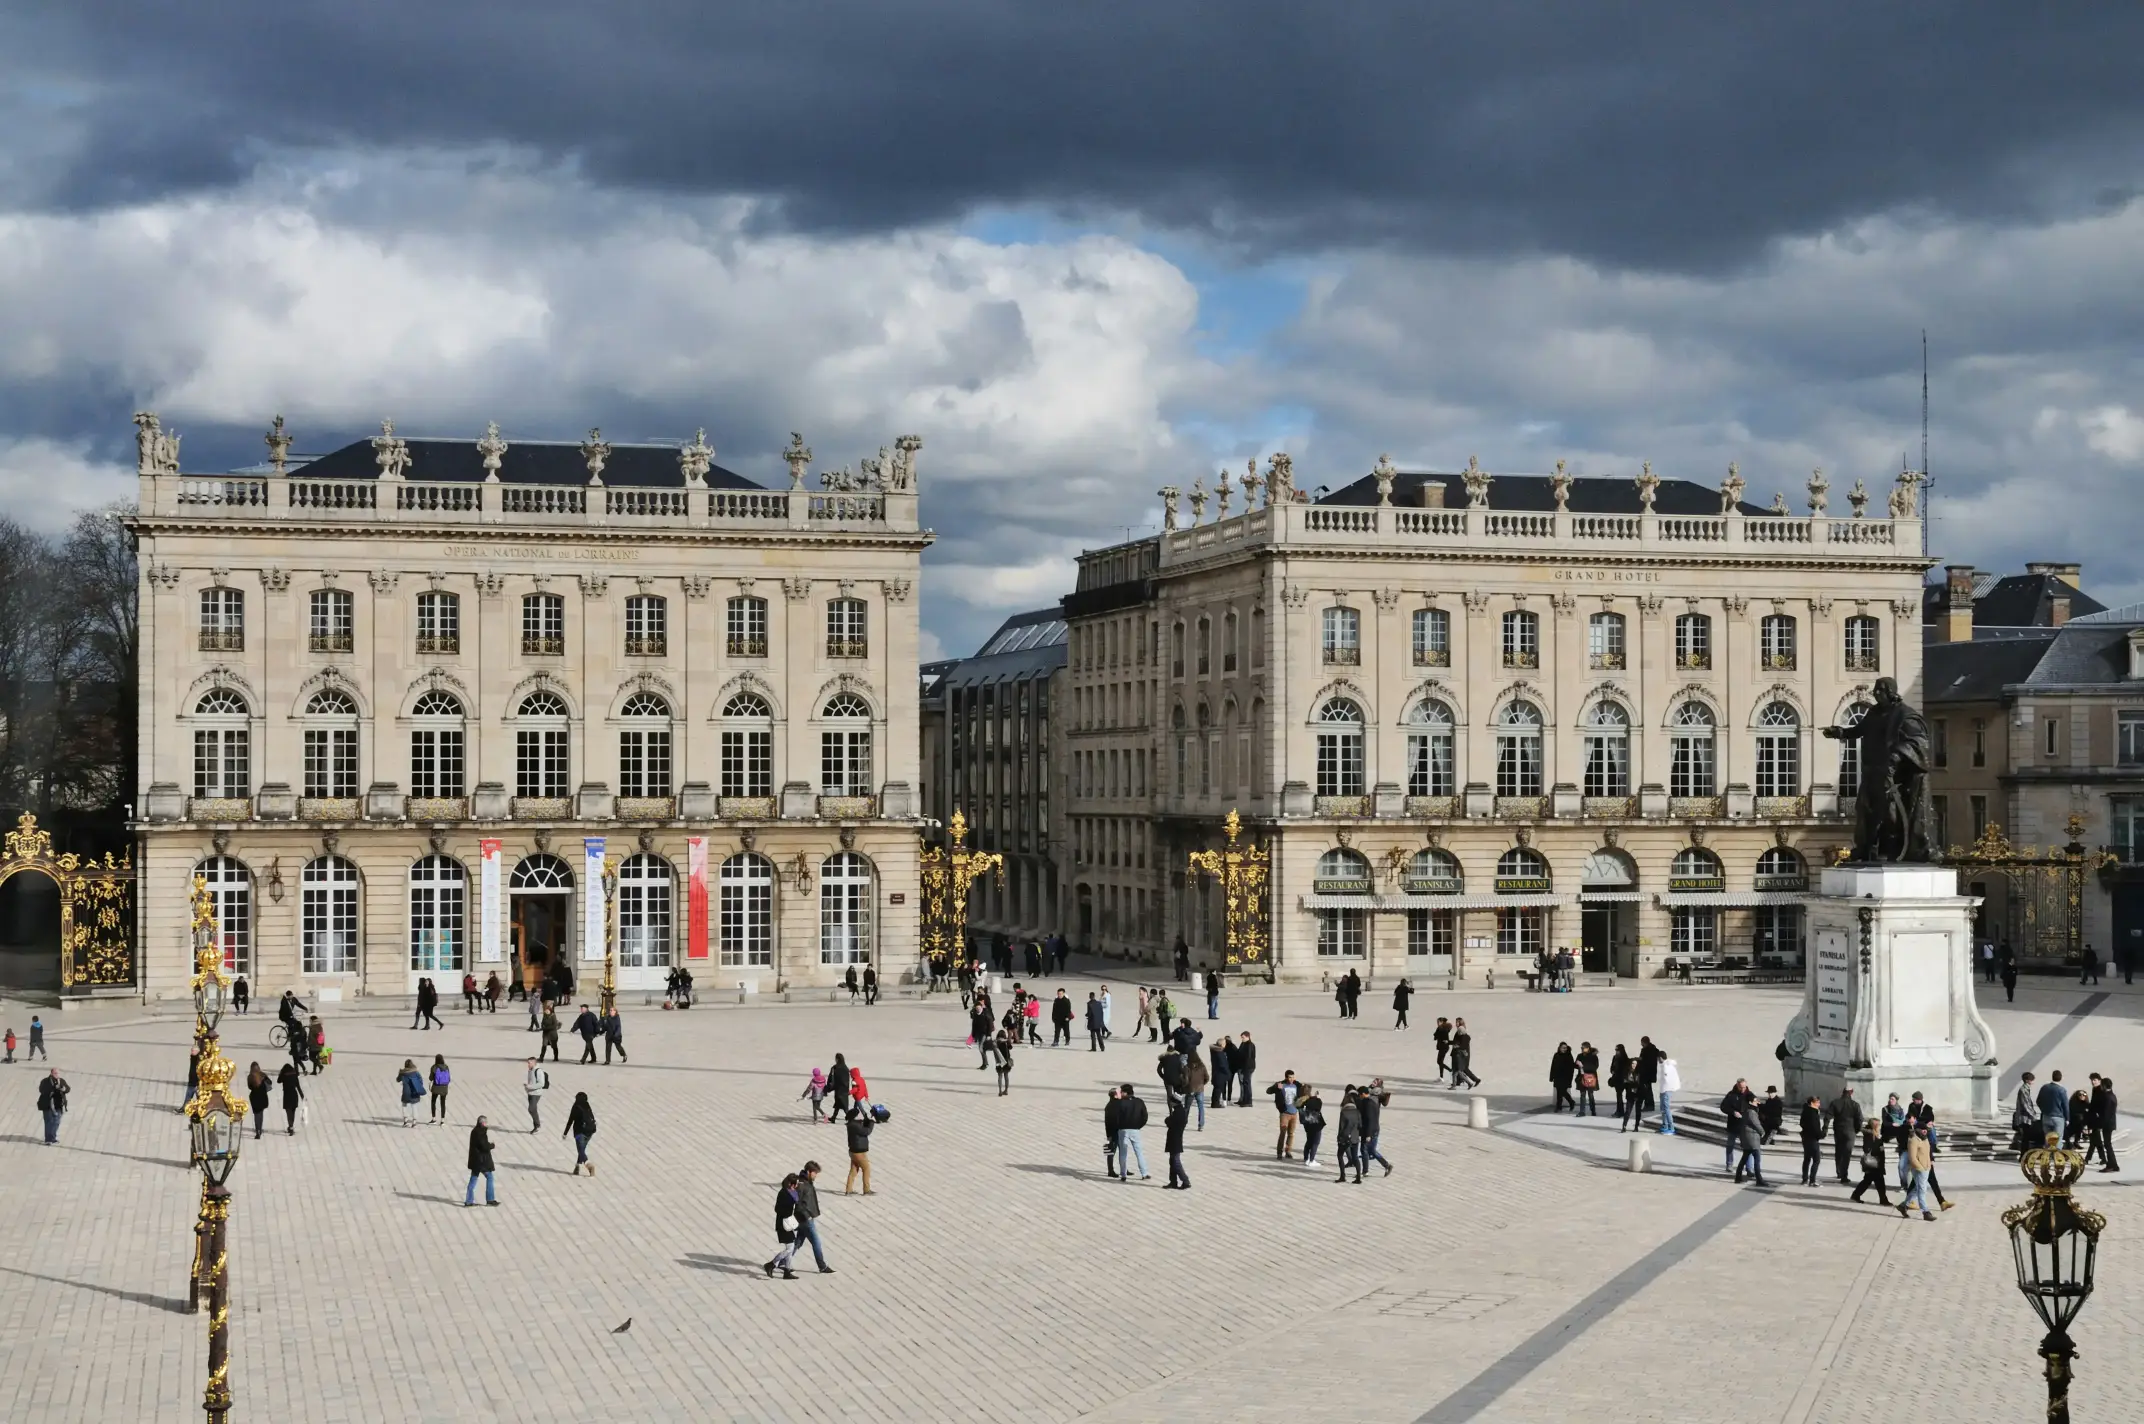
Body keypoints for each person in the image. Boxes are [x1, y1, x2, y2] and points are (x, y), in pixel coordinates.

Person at [792, 1161, 834, 1272]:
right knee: (816, 1241)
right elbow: (799, 1203)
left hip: (805, 1217)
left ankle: (781, 1262)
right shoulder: (802, 1184)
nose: (816, 1175)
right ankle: (822, 1266)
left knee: (798, 1242)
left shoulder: (807, 1181)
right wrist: (808, 1216)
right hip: (805, 1218)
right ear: (809, 1172)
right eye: (815, 1173)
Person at [765, 1173, 804, 1279]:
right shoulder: (784, 1194)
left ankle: (787, 1271)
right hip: (783, 1225)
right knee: (789, 1248)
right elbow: (778, 1209)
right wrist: (790, 1213)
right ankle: (771, 1264)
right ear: (791, 1185)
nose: (797, 1186)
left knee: (790, 1248)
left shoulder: (790, 1192)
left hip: (787, 1224)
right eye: (796, 1184)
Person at [1898, 1125, 1937, 1221]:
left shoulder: (1925, 1139)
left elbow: (1928, 1152)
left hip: (1926, 1167)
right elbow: (1912, 1157)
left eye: (1926, 1130)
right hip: (1919, 1169)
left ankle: (1904, 1206)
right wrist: (1920, 1168)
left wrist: (1930, 1163)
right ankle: (1926, 1212)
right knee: (1922, 1190)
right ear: (1918, 1130)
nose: (1925, 1131)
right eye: (1923, 1129)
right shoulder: (1913, 1140)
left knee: (1916, 1189)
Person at [1113, 1083, 1150, 1181]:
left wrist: (1118, 1126)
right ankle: (1144, 1173)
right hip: (1135, 1130)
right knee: (1139, 1152)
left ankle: (1123, 1174)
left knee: (1123, 1153)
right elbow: (1145, 1116)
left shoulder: (1120, 1103)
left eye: (1121, 1092)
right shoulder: (1139, 1102)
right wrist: (1138, 1126)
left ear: (1125, 1093)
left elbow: (1115, 1118)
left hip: (1123, 1130)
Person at [1828, 1087, 1864, 1183]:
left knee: (1838, 1151)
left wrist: (1825, 1128)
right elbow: (1860, 1119)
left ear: (1843, 1092)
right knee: (1847, 1153)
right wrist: (1857, 1129)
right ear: (1851, 1093)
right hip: (1850, 1131)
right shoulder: (1855, 1105)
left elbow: (1827, 1116)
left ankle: (1839, 1171)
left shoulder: (1835, 1103)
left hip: (1838, 1130)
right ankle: (1844, 1175)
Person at [1849, 1121, 1889, 1205]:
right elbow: (1867, 1149)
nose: (1879, 1127)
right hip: (1873, 1163)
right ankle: (1883, 1200)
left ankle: (1856, 1195)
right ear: (1875, 1126)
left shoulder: (1874, 1135)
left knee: (1870, 1181)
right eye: (1878, 1125)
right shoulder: (1870, 1136)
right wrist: (1878, 1145)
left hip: (1876, 1163)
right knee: (1876, 1181)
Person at [1359, 1078, 1393, 1175]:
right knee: (1371, 1151)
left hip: (1370, 1128)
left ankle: (1365, 1171)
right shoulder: (1371, 1094)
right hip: (1374, 1126)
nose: (1373, 1082)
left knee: (1365, 1149)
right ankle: (1386, 1165)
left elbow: (1369, 1118)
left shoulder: (1372, 1099)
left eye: (1375, 1082)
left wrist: (1368, 1134)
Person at [1267, 1069, 1300, 1160]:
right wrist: (1276, 1088)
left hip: (1294, 1113)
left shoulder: (1297, 1085)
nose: (1291, 1079)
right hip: (1284, 1113)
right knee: (1283, 1133)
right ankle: (1279, 1152)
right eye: (1289, 1077)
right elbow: (1268, 1091)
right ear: (1286, 1077)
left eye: (1293, 1077)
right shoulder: (1281, 1084)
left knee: (1291, 1133)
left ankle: (1288, 1151)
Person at [465, 1116, 498, 1206]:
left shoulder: (474, 1131)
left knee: (473, 1179)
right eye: (486, 1122)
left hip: (475, 1161)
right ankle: (490, 1199)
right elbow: (484, 1147)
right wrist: (491, 1145)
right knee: (490, 1177)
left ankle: (469, 1200)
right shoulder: (481, 1133)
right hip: (482, 1161)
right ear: (482, 1123)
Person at [1334, 1086, 1365, 1183]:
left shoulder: (1344, 1112)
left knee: (1340, 1155)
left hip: (1345, 1138)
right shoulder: (1357, 1112)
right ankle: (1358, 1177)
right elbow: (1360, 1125)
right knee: (1355, 1157)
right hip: (1355, 1138)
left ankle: (1343, 1176)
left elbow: (1341, 1127)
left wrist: (1339, 1138)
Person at [565, 1091, 598, 1175]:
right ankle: (577, 1167)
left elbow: (570, 1121)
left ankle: (589, 1165)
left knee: (581, 1150)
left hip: (579, 1133)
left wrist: (565, 1133)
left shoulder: (575, 1106)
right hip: (589, 1132)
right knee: (582, 1149)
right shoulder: (587, 1105)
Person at [1163, 1092, 1192, 1190]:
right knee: (1172, 1161)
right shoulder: (1180, 1111)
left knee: (1176, 1161)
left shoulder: (1178, 1113)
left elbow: (1168, 1121)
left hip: (1175, 1139)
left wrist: (1168, 1119)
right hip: (1175, 1138)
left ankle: (1185, 1181)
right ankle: (1173, 1182)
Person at [844, 1105, 875, 1194]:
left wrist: (867, 1120)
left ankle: (848, 1190)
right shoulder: (855, 1125)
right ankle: (866, 1190)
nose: (860, 1115)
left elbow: (863, 1127)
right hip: (859, 1152)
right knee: (866, 1169)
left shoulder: (852, 1124)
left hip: (853, 1151)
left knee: (854, 1170)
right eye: (859, 1114)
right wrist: (872, 1123)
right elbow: (867, 1131)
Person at [1732, 1108, 1767, 1186]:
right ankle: (1759, 1180)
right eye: (1755, 1100)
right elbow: (1756, 1124)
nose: (1757, 1102)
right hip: (1753, 1140)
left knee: (1744, 1158)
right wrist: (1762, 1132)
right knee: (1757, 1160)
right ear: (1751, 1101)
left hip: (1748, 1140)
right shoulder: (1751, 1112)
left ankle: (1738, 1177)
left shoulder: (1745, 1111)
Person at [2093, 1077, 2120, 1173]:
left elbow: (2106, 1113)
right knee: (2108, 1144)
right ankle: (2114, 1164)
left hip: (2107, 1124)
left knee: (2107, 1144)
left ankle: (2111, 1165)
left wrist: (2100, 1124)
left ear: (2104, 1086)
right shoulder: (2112, 1095)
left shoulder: (2107, 1097)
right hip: (2110, 1123)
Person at [2036, 1070, 2070, 1146]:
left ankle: (2047, 1157)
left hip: (2046, 1116)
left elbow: (2038, 1101)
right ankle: (2056, 1157)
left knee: (2048, 1139)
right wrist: (2067, 1118)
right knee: (2057, 1140)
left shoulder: (2044, 1087)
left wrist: (2043, 1110)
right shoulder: (2061, 1090)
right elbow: (2065, 1105)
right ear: (2061, 1078)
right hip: (2058, 1117)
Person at [1295, 1082, 1325, 1168]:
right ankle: (1311, 1160)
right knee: (1315, 1142)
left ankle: (1306, 1158)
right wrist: (1318, 1098)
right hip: (1315, 1123)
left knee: (1309, 1141)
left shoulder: (1300, 1100)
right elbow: (1318, 1107)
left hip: (1307, 1124)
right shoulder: (1312, 1101)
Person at [36, 1068, 69, 1144]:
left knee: (56, 1122)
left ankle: (53, 1137)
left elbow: (68, 1088)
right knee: (48, 1122)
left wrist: (64, 1089)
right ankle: (48, 1139)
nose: (57, 1075)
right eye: (55, 1073)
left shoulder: (61, 1081)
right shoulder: (45, 1081)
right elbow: (42, 1090)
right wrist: (53, 1089)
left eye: (58, 1073)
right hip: (48, 1105)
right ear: (51, 1074)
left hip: (58, 1105)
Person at [1798, 1095, 1826, 1185]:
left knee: (1807, 1159)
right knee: (1816, 1159)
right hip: (1812, 1139)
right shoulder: (1813, 1113)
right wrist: (1822, 1134)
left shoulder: (1805, 1111)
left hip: (1805, 1138)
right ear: (1812, 1103)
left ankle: (1805, 1179)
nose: (1819, 1104)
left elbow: (1802, 1123)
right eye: (1817, 1102)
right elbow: (1815, 1128)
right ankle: (1812, 1180)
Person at [1183, 1039, 1208, 1130]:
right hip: (1200, 1089)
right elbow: (1207, 1077)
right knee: (1201, 1107)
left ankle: (1184, 1123)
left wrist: (1185, 1087)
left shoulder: (1187, 1067)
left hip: (1190, 1089)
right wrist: (1202, 1084)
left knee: (1187, 1107)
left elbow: (1185, 1079)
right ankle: (1201, 1125)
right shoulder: (1202, 1066)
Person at [1449, 1020, 1480, 1090]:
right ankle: (1458, 1082)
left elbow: (1461, 1045)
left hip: (1462, 1054)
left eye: (1457, 1022)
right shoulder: (1460, 1032)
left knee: (1461, 1069)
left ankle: (1473, 1081)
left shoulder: (1461, 1034)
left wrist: (1456, 1046)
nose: (1455, 1023)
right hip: (1460, 1053)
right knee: (1458, 1070)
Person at [1655, 1052, 1680, 1134]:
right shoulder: (1668, 1065)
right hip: (1665, 1089)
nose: (1657, 1060)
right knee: (1663, 1108)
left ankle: (1671, 1127)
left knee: (1666, 1109)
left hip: (1666, 1090)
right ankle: (1665, 1125)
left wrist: (1664, 1090)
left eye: (1658, 1058)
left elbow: (1667, 1079)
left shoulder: (1666, 1067)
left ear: (1661, 1058)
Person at [277, 1060, 304, 1135]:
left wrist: (281, 1073)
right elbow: (298, 1086)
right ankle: (291, 1126)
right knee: (293, 1111)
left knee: (288, 1112)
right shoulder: (294, 1074)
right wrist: (302, 1095)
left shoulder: (284, 1075)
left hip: (287, 1095)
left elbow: (278, 1081)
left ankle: (291, 1127)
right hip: (294, 1095)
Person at [1549, 1042, 1578, 1113]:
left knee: (1562, 1091)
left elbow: (1572, 1065)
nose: (1564, 1049)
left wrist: (1578, 1066)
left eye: (1565, 1048)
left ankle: (1569, 1102)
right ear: (1559, 1048)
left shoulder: (1568, 1055)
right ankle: (1560, 1106)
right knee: (1559, 1092)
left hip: (1566, 1077)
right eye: (1563, 1048)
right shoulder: (1556, 1055)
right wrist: (1551, 1076)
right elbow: (1553, 1066)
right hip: (1557, 1076)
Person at [396, 1059, 425, 1127]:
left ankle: (405, 1120)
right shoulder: (416, 1072)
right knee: (414, 1106)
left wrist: (400, 1073)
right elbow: (420, 1081)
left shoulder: (403, 1073)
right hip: (414, 1091)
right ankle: (414, 1121)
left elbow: (397, 1080)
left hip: (406, 1092)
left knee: (404, 1105)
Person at [246, 1062, 270, 1140]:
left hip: (254, 1097)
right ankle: (260, 1128)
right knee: (261, 1113)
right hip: (262, 1096)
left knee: (256, 1115)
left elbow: (249, 1087)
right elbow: (270, 1082)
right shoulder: (262, 1075)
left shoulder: (250, 1077)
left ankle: (257, 1131)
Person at [1575, 1042, 1600, 1116]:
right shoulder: (1579, 1056)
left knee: (1590, 1095)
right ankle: (1582, 1111)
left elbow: (1595, 1067)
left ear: (1588, 1048)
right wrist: (1577, 1064)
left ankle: (1593, 1110)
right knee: (1582, 1095)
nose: (1582, 1049)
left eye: (1584, 1048)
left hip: (1590, 1078)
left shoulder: (1593, 1056)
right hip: (1581, 1077)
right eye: (1581, 1048)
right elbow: (1575, 1065)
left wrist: (1583, 1066)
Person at [1209, 1036, 1233, 1110]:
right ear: (1222, 1044)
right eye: (1224, 1043)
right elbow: (1223, 1064)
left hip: (1217, 1073)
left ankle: (1215, 1102)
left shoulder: (1215, 1051)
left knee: (1216, 1088)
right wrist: (1228, 1073)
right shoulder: (1219, 1053)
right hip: (1220, 1074)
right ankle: (1215, 1104)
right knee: (1218, 1089)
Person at [1234, 1031, 1258, 1105]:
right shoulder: (1243, 1044)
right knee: (1243, 1084)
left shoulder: (1250, 1045)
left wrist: (1245, 1069)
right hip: (1242, 1067)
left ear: (1247, 1037)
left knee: (1247, 1084)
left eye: (1243, 1037)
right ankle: (1242, 1099)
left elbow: (1249, 1058)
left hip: (1247, 1068)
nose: (1242, 1039)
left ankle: (1248, 1101)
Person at [827, 1054, 853, 1120]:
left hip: (839, 1089)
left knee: (843, 1106)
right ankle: (833, 1118)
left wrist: (829, 1087)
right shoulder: (845, 1068)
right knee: (838, 1104)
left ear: (837, 1059)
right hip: (844, 1090)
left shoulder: (836, 1068)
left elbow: (832, 1079)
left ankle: (850, 1118)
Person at [525, 1058, 548, 1132]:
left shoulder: (538, 1071)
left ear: (534, 1063)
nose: (528, 1064)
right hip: (530, 1093)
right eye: (528, 1063)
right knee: (533, 1109)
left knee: (531, 1109)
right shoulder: (530, 1070)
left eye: (529, 1063)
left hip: (536, 1093)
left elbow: (541, 1084)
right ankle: (536, 1126)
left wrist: (530, 1087)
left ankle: (537, 1126)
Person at [428, 1054, 452, 1123]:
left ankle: (434, 1118)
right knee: (443, 1103)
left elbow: (431, 1078)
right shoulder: (446, 1067)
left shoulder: (434, 1067)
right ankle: (443, 1120)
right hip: (444, 1087)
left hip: (436, 1087)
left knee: (433, 1102)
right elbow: (449, 1078)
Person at [991, 1030, 1014, 1096]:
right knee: (1006, 1076)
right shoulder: (1006, 1042)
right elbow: (1010, 1048)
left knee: (1000, 1076)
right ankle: (1006, 1090)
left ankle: (1000, 1091)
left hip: (999, 1061)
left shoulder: (996, 1042)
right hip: (1006, 1061)